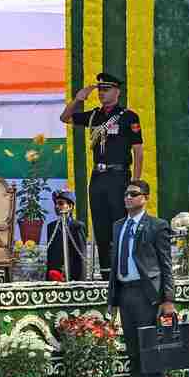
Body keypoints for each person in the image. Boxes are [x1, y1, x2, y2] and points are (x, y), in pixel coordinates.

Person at [61, 71, 143, 278]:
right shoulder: (95, 115)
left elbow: (138, 150)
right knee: (100, 225)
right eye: (100, 90)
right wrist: (79, 98)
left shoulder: (128, 117)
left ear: (117, 92)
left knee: (119, 223)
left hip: (119, 176)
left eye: (106, 90)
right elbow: (65, 117)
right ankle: (106, 273)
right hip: (98, 177)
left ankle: (124, 271)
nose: (101, 94)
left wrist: (136, 183)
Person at [107, 180, 175, 377]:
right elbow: (116, 264)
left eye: (133, 194)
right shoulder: (118, 226)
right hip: (125, 293)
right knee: (133, 351)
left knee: (150, 351)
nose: (128, 197)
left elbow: (166, 265)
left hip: (148, 296)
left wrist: (168, 299)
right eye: (126, 193)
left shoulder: (157, 226)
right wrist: (112, 300)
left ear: (145, 197)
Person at [45, 189, 87, 281]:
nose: (57, 206)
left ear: (70, 206)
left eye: (60, 203)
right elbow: (50, 257)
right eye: (56, 204)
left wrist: (80, 281)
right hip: (54, 278)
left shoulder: (77, 226)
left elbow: (81, 257)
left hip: (73, 278)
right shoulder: (51, 227)